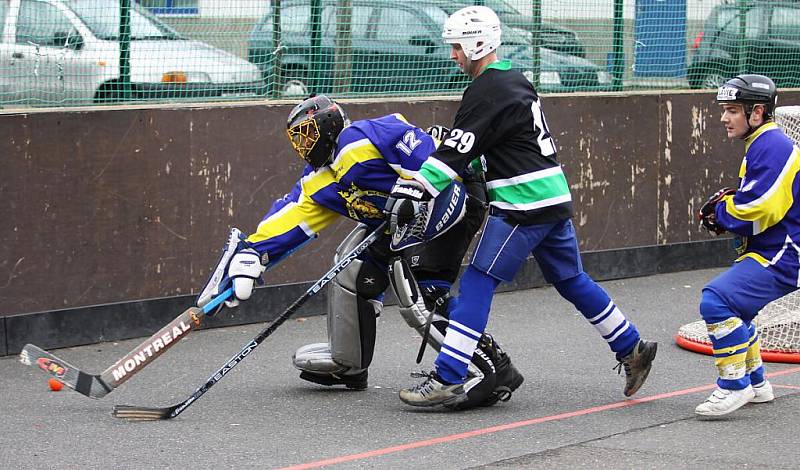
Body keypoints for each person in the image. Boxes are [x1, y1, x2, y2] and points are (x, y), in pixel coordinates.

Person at [389, 5, 657, 408]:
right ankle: (631, 346)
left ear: (477, 44)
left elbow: (455, 153)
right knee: (571, 280)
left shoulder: (485, 89)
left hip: (523, 204)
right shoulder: (514, 80)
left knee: (479, 280)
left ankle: (448, 376)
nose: (453, 55)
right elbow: (493, 144)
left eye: (457, 47)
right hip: (552, 197)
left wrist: (416, 188)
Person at [197, 94, 523, 409]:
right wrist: (254, 253)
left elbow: (435, 163)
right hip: (397, 225)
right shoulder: (318, 180)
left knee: (423, 297)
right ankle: (349, 363)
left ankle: (490, 368)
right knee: (352, 269)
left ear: (329, 124)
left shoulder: (361, 138)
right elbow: (292, 216)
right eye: (297, 139)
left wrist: (413, 210)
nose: (304, 145)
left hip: (452, 197)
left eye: (308, 133)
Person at [694, 74, 799, 417]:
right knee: (739, 308)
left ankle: (733, 387)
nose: (724, 117)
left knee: (716, 300)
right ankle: (756, 383)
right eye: (724, 110)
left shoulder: (773, 146)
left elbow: (762, 206)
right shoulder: (760, 144)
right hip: (772, 249)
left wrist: (723, 212)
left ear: (757, 112)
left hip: (784, 253)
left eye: (733, 110)